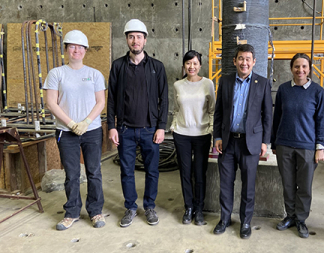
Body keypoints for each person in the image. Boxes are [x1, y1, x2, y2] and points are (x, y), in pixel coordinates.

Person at [107, 19, 168, 228]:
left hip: (150, 129)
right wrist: (111, 126)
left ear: (145, 40)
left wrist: (161, 126)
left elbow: (164, 99)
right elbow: (112, 99)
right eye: (131, 37)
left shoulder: (157, 68)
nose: (135, 41)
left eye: (139, 37)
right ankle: (131, 207)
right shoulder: (118, 66)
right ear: (126, 39)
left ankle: (149, 206)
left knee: (152, 170)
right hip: (125, 130)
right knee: (126, 171)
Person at [44, 30, 106, 230]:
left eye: (80, 47)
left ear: (85, 50)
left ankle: (95, 211)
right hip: (66, 131)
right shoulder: (56, 73)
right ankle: (71, 212)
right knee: (71, 174)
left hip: (92, 130)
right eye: (72, 46)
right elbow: (51, 103)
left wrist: (86, 122)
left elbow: (101, 101)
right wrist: (71, 124)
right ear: (66, 50)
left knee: (94, 172)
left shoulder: (94, 74)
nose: (76, 50)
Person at [213, 44, 272, 239]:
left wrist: (265, 142)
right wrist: (218, 137)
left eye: (248, 59)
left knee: (248, 186)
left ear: (254, 62)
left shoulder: (262, 83)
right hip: (228, 142)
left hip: (251, 143)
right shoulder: (226, 81)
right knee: (226, 183)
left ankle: (246, 221)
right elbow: (219, 111)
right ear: (234, 61)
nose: (244, 62)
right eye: (240, 58)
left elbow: (267, 116)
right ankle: (225, 218)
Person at [271, 53, 324, 238]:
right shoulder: (283, 90)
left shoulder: (318, 92)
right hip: (284, 144)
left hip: (307, 146)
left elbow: (321, 121)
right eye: (297, 66)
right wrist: (274, 141)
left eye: (304, 66)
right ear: (291, 68)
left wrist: (320, 147)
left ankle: (301, 219)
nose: (300, 70)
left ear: (309, 69)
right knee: (288, 184)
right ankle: (290, 216)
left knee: (304, 186)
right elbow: (277, 117)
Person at [170, 50, 215, 225]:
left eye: (195, 63)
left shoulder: (207, 84)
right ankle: (188, 207)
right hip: (182, 135)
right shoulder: (178, 85)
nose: (191, 66)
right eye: (188, 63)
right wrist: (174, 126)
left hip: (202, 135)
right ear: (184, 65)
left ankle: (199, 209)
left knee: (200, 173)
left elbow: (212, 110)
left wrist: (211, 132)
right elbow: (176, 109)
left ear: (200, 65)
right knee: (185, 173)